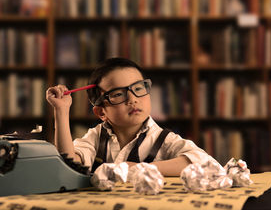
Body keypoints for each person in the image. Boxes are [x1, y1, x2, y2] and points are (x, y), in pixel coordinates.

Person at [46, 57, 215, 176]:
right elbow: (68, 165)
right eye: (118, 94)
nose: (132, 99)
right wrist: (61, 111)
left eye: (139, 88)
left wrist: (140, 168)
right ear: (101, 112)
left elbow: (205, 163)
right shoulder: (96, 138)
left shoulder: (163, 139)